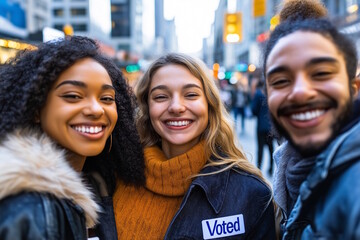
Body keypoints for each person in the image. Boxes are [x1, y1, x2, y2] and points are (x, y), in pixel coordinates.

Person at [113, 53, 277, 239]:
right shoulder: (114, 179)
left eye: (191, 95)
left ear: (209, 104)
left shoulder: (252, 195)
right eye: (160, 96)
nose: (176, 107)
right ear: (147, 107)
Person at [0, 36, 145, 239]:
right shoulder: (29, 209)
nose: (96, 109)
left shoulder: (100, 184)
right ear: (35, 108)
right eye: (73, 96)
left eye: (106, 99)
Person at [263, 0, 360, 238]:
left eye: (320, 74)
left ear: (354, 88)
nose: (300, 92)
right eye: (281, 80)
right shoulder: (289, 163)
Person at [251, 79, 274, 176]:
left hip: (260, 126)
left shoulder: (258, 95)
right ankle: (271, 168)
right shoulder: (271, 95)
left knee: (260, 148)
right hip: (270, 126)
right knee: (270, 148)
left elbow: (253, 110)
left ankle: (259, 168)